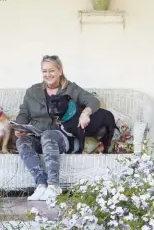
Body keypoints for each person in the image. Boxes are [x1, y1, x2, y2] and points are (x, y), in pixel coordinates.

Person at [15, 55, 100, 204]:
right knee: (22, 141)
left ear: (60, 70)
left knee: (48, 135)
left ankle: (54, 186)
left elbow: (94, 101)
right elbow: (23, 113)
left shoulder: (72, 89)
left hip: (61, 136)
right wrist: (19, 126)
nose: (47, 75)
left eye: (52, 70)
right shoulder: (33, 91)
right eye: (44, 71)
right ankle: (41, 184)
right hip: (36, 134)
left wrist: (86, 113)